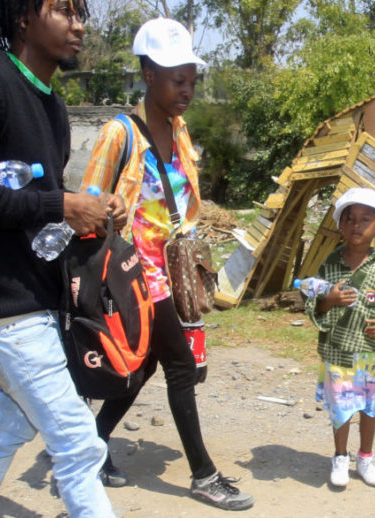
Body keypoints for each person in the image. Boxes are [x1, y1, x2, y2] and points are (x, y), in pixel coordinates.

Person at [0, 1, 125, 516]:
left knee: (8, 423)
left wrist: (95, 213)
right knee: (80, 443)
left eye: (80, 12)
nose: (79, 23)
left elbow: (36, 210)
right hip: (3, 302)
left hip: (39, 299)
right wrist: (62, 202)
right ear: (22, 17)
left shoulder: (53, 106)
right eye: (63, 9)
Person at [79, 17, 254, 511]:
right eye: (178, 80)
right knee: (180, 364)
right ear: (148, 73)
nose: (187, 90)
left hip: (173, 273)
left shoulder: (179, 132)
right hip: (135, 275)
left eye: (192, 81)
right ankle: (204, 474)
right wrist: (108, 218)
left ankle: (88, 444)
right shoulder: (120, 134)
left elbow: (184, 204)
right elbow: (89, 205)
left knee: (146, 365)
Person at [304, 187, 375, 488]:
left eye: (365, 219)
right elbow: (316, 301)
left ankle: (366, 456)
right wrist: (329, 300)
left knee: (368, 406)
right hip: (337, 352)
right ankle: (340, 456)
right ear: (340, 225)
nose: (356, 225)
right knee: (340, 407)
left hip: (368, 353)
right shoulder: (330, 265)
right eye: (349, 218)